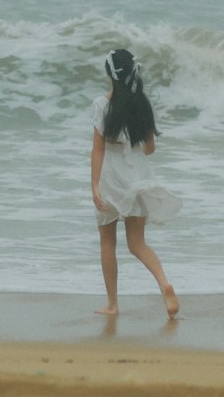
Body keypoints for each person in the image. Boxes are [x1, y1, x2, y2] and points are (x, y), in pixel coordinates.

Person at [90, 48, 182, 318]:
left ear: (110, 73)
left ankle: (113, 305)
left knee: (108, 242)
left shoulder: (101, 105)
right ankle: (164, 283)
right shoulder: (142, 104)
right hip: (139, 176)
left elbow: (98, 150)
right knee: (137, 243)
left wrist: (95, 185)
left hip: (110, 178)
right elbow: (150, 149)